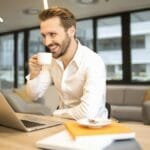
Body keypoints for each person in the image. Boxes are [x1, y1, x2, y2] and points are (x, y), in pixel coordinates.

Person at [26, 6, 108, 120]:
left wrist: (56, 113)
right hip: (63, 124)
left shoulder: (93, 62)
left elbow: (87, 113)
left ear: (71, 31)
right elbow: (33, 95)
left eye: (53, 34)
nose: (47, 42)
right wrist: (34, 74)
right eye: (44, 36)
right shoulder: (51, 61)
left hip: (92, 128)